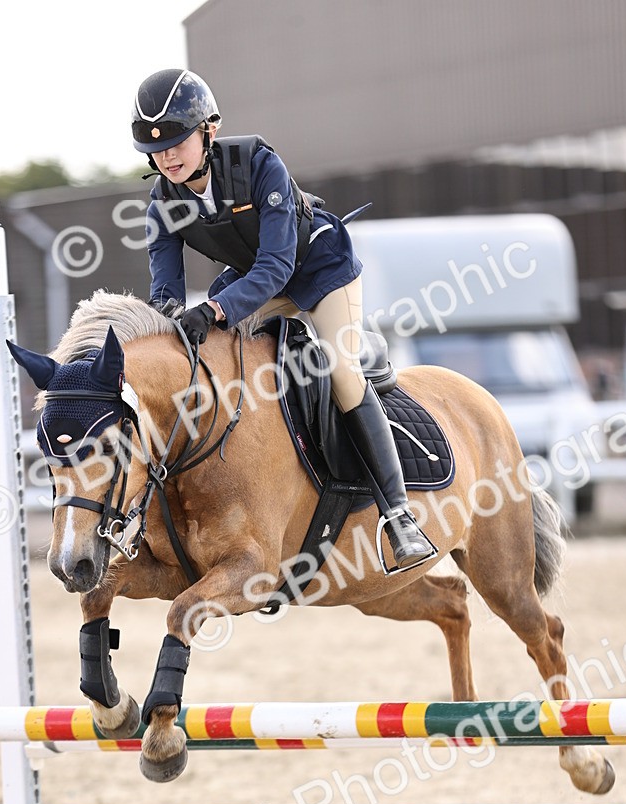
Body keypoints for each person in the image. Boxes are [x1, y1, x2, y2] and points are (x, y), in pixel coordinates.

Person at [131, 68, 435, 571]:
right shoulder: (163, 204)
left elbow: (277, 264)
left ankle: (399, 516)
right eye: (156, 150)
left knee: (340, 369)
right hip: (257, 282)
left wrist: (215, 309)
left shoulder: (257, 162)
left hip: (318, 271)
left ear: (207, 131)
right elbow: (164, 292)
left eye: (178, 143)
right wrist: (167, 325)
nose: (167, 157)